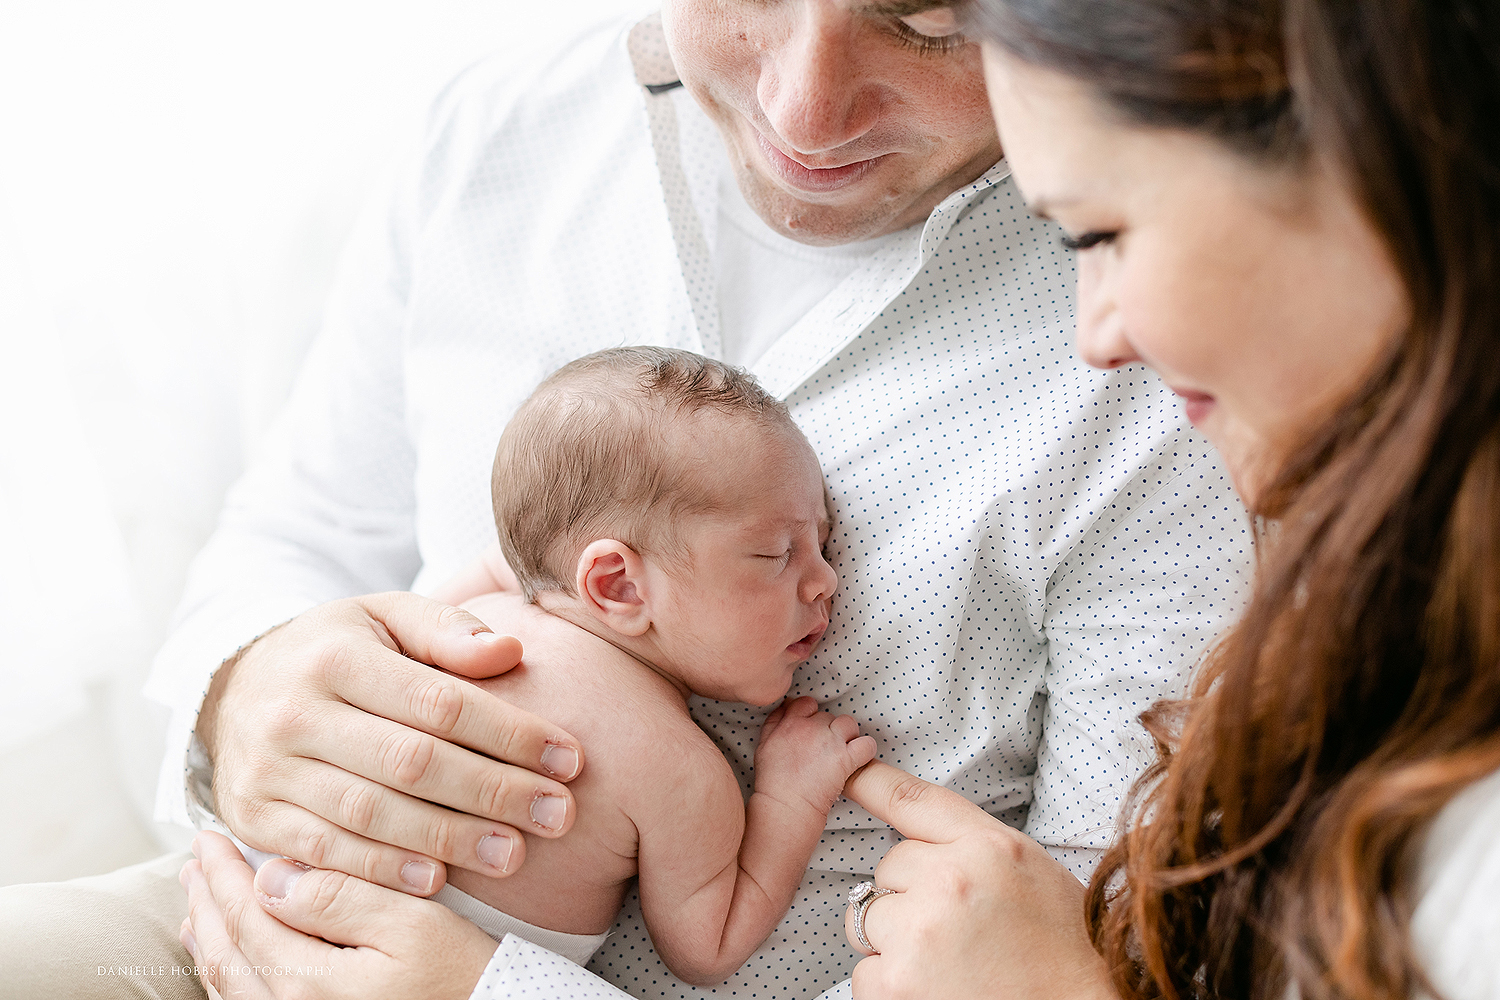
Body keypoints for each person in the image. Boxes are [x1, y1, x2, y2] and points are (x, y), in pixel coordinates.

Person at [177, 1, 1499, 999]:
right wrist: (243, 695)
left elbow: (1109, 937)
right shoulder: (500, 130)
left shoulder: (1199, 387)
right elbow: (292, 537)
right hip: (253, 908)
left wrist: (482, 986)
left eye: (930, 24)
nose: (804, 113)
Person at [414, 345, 877, 982]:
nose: (825, 579)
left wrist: (786, 795)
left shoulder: (480, 609)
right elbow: (705, 950)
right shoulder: (680, 772)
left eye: (822, 545)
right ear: (618, 586)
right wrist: (790, 797)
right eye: (777, 554)